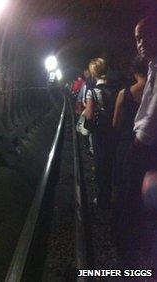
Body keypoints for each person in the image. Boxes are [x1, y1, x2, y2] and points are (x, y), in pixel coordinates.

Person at [118, 14, 157, 266]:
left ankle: (133, 263)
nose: (140, 42)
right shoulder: (153, 65)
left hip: (147, 146)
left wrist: (139, 143)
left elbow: (153, 112)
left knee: (132, 202)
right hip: (145, 144)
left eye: (145, 35)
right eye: (137, 38)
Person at [113, 56, 147, 199]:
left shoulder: (124, 94)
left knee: (125, 183)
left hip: (127, 142)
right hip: (149, 145)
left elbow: (115, 123)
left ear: (133, 70)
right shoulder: (153, 93)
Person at [84, 58, 117, 208]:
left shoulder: (93, 92)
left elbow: (89, 117)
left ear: (93, 73)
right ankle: (112, 193)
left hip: (99, 133)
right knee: (110, 163)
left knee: (100, 164)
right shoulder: (116, 90)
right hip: (113, 131)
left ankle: (103, 199)